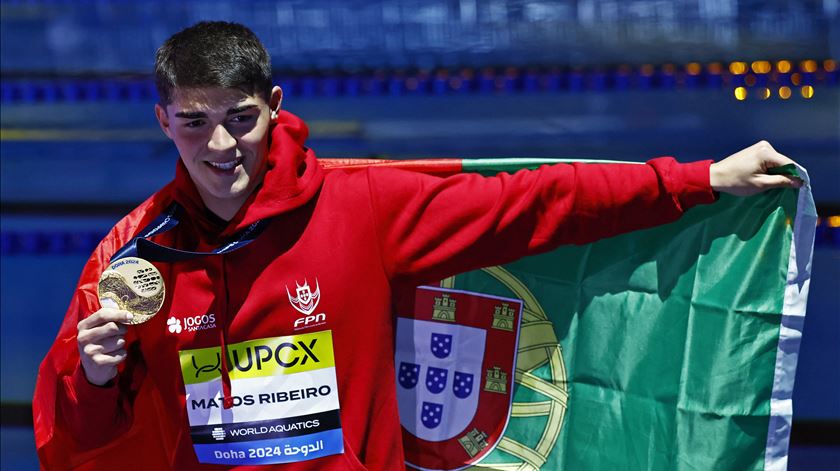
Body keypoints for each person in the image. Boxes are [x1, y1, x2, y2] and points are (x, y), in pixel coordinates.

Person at [33, 21, 802, 471]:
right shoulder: (134, 256)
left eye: (240, 117)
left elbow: (534, 202)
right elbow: (72, 443)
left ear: (274, 107)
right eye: (195, 121)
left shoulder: (361, 207)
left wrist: (697, 178)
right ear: (163, 120)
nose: (221, 144)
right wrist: (95, 378)